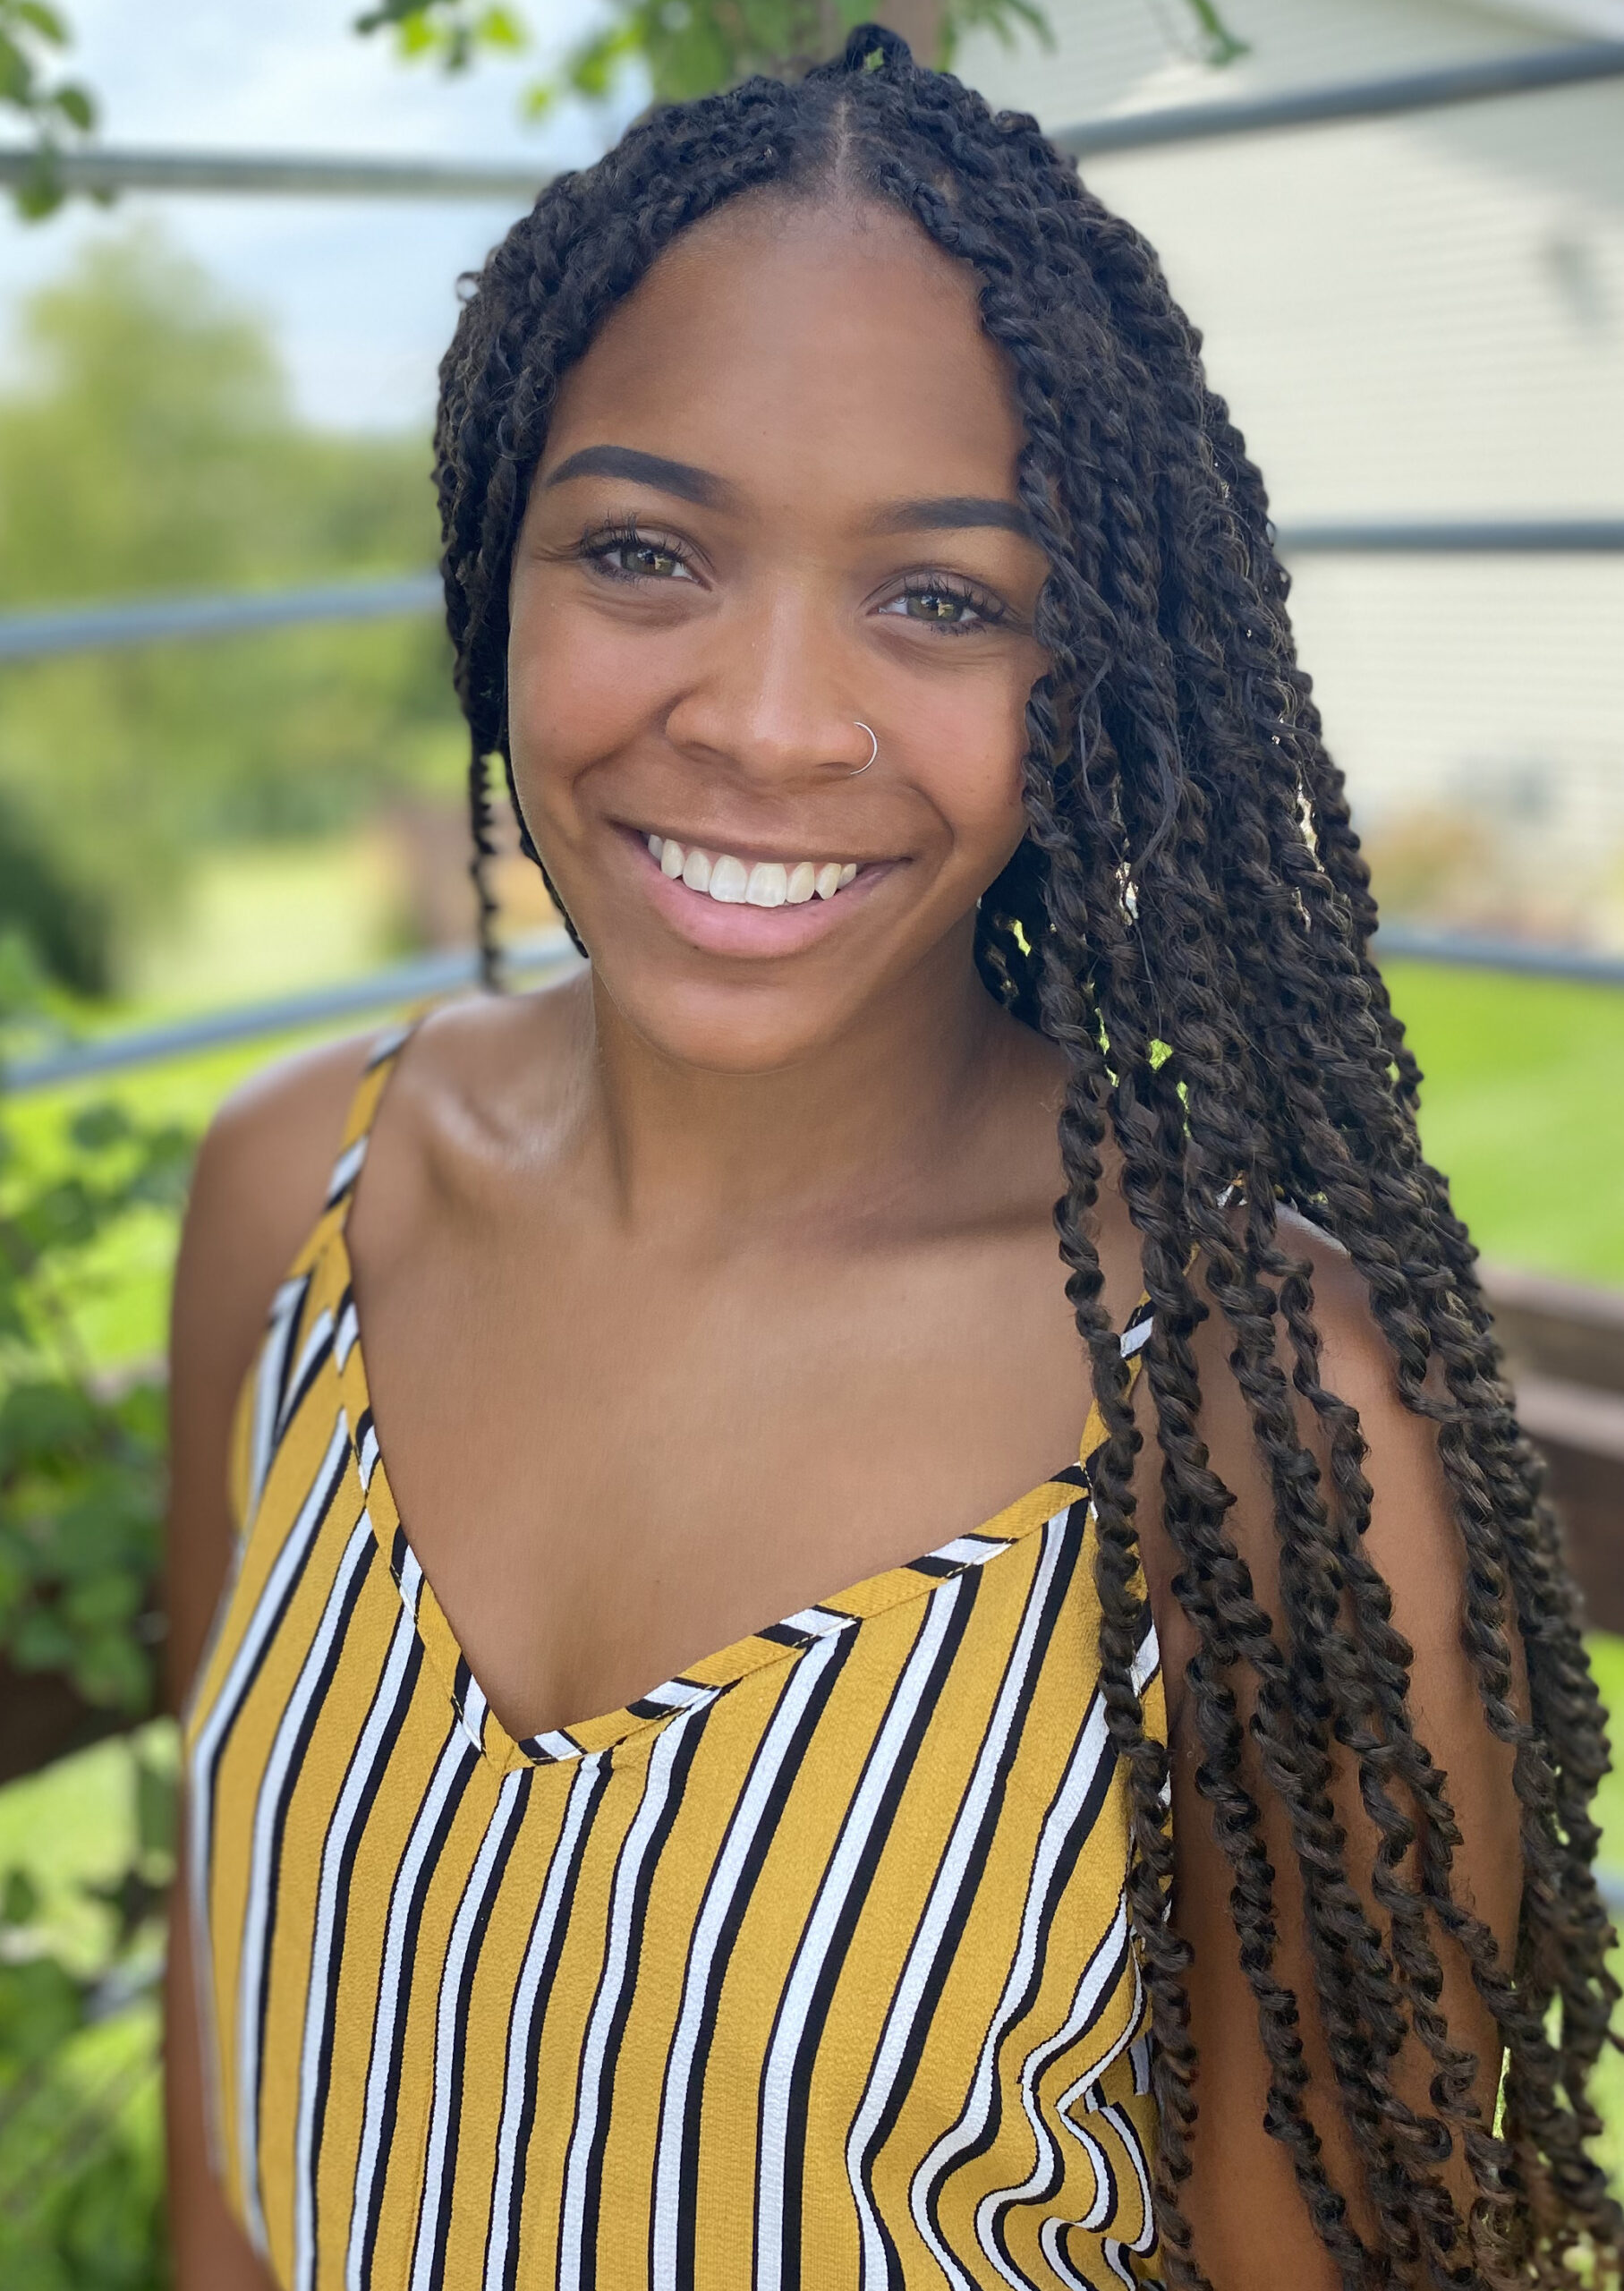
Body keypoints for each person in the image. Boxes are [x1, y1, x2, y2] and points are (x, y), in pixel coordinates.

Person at [161, 28, 1620, 2291]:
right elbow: (239, 2097)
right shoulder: (294, 1207)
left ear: (1089, 673)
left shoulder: (1251, 1419)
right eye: (641, 550)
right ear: (491, 568)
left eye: (941, 595)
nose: (763, 721)